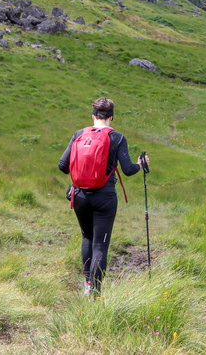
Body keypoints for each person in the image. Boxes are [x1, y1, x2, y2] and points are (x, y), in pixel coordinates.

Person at [58, 97, 148, 296]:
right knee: (100, 244)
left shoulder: (79, 134)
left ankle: (87, 285)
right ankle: (95, 294)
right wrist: (140, 164)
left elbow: (62, 166)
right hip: (105, 198)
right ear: (111, 117)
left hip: (80, 195)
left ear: (93, 116)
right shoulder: (117, 138)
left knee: (87, 237)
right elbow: (128, 170)